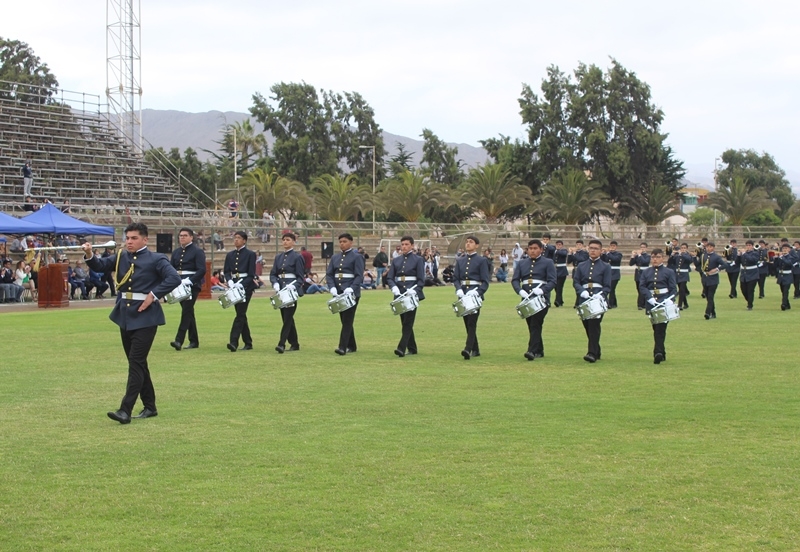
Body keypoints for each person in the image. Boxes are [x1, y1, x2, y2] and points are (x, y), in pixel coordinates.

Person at [83, 222, 181, 424]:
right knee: (138, 364)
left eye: (134, 238)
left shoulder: (156, 259)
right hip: (125, 315)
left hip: (146, 317)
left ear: (145, 239)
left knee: (135, 363)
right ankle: (150, 406)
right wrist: (90, 254)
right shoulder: (121, 256)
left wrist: (153, 295)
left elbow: (173, 278)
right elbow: (101, 266)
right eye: (127, 238)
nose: (129, 241)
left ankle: (125, 410)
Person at [512, 239, 557, 361]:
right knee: (531, 325)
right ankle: (539, 350)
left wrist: (543, 290)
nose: (532, 250)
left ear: (541, 250)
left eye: (535, 248)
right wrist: (519, 290)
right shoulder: (522, 263)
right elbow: (515, 279)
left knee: (535, 324)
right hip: (527, 299)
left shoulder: (548, 262)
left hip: (541, 299)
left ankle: (531, 351)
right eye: (530, 248)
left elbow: (552, 281)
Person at [326, 233, 365, 355]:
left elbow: (359, 276)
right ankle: (352, 345)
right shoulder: (335, 258)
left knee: (347, 320)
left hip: (351, 293)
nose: (342, 244)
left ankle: (342, 346)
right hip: (338, 292)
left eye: (344, 241)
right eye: (340, 241)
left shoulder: (357, 257)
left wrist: (352, 288)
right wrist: (332, 287)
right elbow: (330, 274)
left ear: (351, 242)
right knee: (344, 320)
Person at [387, 236, 425, 357]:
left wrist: (416, 290)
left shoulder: (418, 259)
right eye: (402, 244)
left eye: (407, 244)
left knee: (408, 322)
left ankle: (401, 348)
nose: (404, 246)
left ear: (412, 246)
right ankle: (412, 348)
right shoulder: (396, 260)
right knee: (404, 322)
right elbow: (390, 277)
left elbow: (421, 279)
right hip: (399, 293)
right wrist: (393, 287)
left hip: (411, 293)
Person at [574, 240, 611, 363]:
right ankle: (597, 350)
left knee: (594, 325)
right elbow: (576, 282)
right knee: (587, 326)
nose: (593, 250)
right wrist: (581, 291)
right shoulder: (581, 265)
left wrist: (600, 295)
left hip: (598, 299)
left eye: (596, 248)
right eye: (591, 248)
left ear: (601, 250)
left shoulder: (605, 266)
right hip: (584, 298)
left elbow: (607, 285)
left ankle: (591, 353)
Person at [453, 235, 490, 360]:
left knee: (472, 322)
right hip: (463, 294)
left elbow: (485, 281)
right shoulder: (460, 260)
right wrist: (458, 289)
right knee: (466, 322)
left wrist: (478, 292)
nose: (468, 244)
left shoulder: (481, 260)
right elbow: (456, 279)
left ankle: (468, 349)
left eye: (471, 242)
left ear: (477, 246)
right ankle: (476, 349)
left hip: (474, 295)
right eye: (467, 242)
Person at [169, 228, 207, 351]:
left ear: (191, 237)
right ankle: (194, 341)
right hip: (179, 284)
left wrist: (190, 280)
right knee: (189, 312)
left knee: (186, 311)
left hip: (191, 285)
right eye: (180, 235)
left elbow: (202, 269)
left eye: (185, 235)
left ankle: (179, 340)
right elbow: (171, 268)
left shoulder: (197, 251)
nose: (182, 238)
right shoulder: (176, 252)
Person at [639, 249, 678, 364]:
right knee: (656, 328)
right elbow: (642, 286)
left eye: (657, 257)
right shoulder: (646, 272)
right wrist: (649, 297)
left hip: (664, 301)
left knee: (661, 328)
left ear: (663, 258)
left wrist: (670, 299)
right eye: (653, 257)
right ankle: (662, 352)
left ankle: (658, 352)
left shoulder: (669, 272)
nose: (655, 259)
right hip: (652, 303)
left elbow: (673, 289)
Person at [270, 232, 306, 353]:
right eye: (284, 240)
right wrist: (275, 283)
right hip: (281, 290)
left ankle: (281, 343)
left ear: (293, 242)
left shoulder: (297, 257)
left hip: (291, 291)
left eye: (288, 240)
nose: (285, 242)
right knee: (286, 317)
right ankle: (294, 343)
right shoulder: (278, 257)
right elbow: (273, 273)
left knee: (288, 317)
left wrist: (294, 286)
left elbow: (300, 277)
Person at [224, 231, 257, 352]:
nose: (236, 240)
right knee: (241, 314)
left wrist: (241, 284)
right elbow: (227, 271)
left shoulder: (250, 254)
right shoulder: (230, 255)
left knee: (240, 314)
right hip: (234, 286)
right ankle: (248, 342)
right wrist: (230, 281)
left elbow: (251, 274)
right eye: (235, 238)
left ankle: (233, 341)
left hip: (246, 287)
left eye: (239, 238)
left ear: (244, 240)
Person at [695, 241, 727, 320]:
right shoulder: (703, 255)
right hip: (705, 278)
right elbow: (698, 264)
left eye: (710, 247)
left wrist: (716, 269)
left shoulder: (716, 257)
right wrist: (694, 257)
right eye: (707, 247)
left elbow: (724, 265)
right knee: (708, 297)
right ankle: (713, 312)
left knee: (710, 296)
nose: (708, 248)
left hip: (713, 279)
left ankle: (707, 313)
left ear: (713, 248)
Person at [670, 243, 694, 310]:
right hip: (677, 274)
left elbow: (689, 260)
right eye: (682, 248)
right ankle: (686, 304)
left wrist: (682, 254)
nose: (683, 249)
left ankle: (680, 305)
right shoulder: (677, 255)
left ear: (686, 249)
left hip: (684, 274)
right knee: (681, 289)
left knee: (682, 289)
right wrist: (672, 254)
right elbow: (671, 261)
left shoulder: (688, 255)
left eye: (684, 248)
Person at [739, 240, 761, 310]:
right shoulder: (743, 254)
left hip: (752, 274)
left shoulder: (755, 253)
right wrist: (738, 255)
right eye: (747, 245)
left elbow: (752, 260)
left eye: (749, 245)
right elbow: (737, 262)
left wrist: (744, 254)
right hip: (744, 274)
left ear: (752, 246)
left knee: (750, 290)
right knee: (743, 290)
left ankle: (750, 305)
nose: (748, 247)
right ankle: (749, 300)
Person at [601, 240, 623, 308]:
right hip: (608, 273)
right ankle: (613, 303)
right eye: (611, 246)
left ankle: (610, 304)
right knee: (610, 289)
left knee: (612, 289)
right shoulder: (607, 254)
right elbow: (603, 261)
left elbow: (614, 259)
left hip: (615, 274)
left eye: (614, 246)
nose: (612, 247)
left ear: (616, 247)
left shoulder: (619, 254)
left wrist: (607, 252)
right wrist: (603, 254)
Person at [629, 242, 651, 310]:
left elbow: (645, 262)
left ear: (646, 248)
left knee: (642, 289)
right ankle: (643, 303)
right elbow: (631, 264)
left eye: (644, 247)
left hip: (644, 274)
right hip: (638, 274)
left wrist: (639, 255)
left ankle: (640, 304)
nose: (642, 249)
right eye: (641, 247)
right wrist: (633, 256)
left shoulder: (647, 256)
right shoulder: (637, 256)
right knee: (638, 289)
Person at [775, 243, 794, 310]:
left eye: (786, 248)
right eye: (783, 248)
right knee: (783, 291)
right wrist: (776, 259)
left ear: (789, 250)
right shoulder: (780, 257)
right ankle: (787, 304)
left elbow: (788, 263)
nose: (784, 250)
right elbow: (776, 266)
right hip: (781, 276)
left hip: (788, 276)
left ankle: (783, 304)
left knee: (786, 291)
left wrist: (781, 258)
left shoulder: (791, 257)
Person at [551, 240, 569, 307]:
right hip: (555, 271)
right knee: (556, 287)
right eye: (557, 244)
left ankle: (557, 301)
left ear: (562, 245)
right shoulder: (554, 252)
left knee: (559, 287)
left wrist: (557, 250)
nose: (558, 246)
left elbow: (563, 254)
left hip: (562, 272)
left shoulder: (564, 251)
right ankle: (560, 301)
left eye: (559, 245)